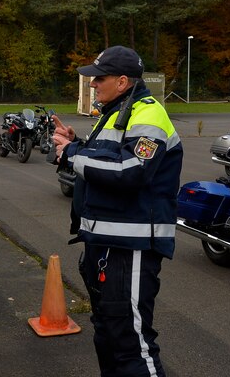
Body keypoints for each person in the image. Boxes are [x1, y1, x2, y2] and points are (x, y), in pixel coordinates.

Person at [52, 45, 183, 377]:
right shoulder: (115, 111)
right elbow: (109, 155)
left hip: (131, 246)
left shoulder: (148, 112)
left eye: (99, 78)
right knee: (109, 335)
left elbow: (132, 169)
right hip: (106, 243)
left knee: (131, 344)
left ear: (123, 81)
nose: (93, 84)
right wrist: (78, 142)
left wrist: (72, 154)